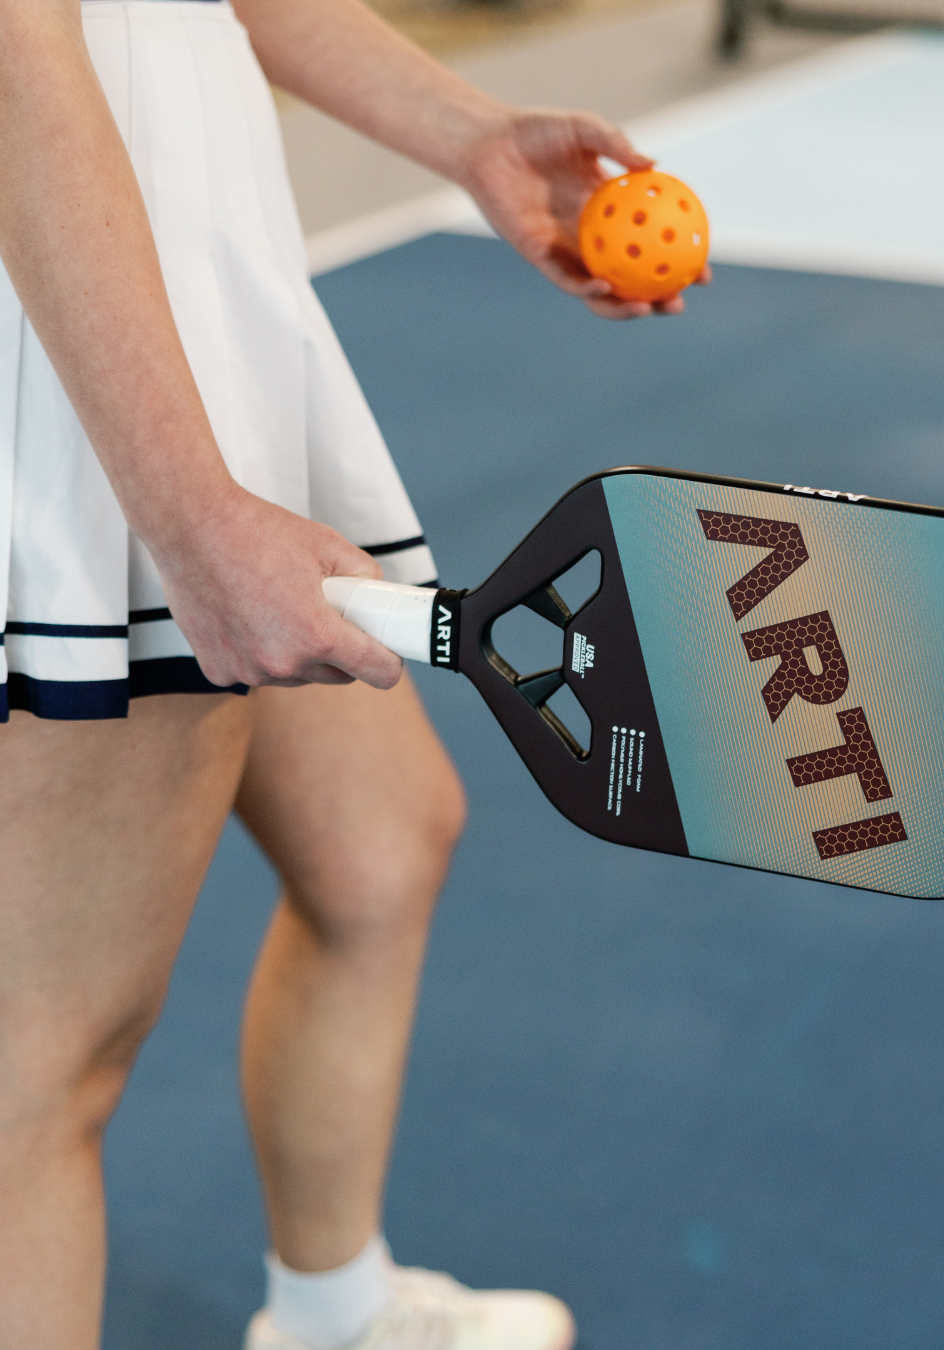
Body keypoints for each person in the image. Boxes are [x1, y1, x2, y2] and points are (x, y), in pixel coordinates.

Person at [0, 2, 708, 1348]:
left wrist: (472, 136)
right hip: (83, 380)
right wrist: (189, 511)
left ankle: (334, 1311)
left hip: (206, 321)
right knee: (37, 1072)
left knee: (378, 844)